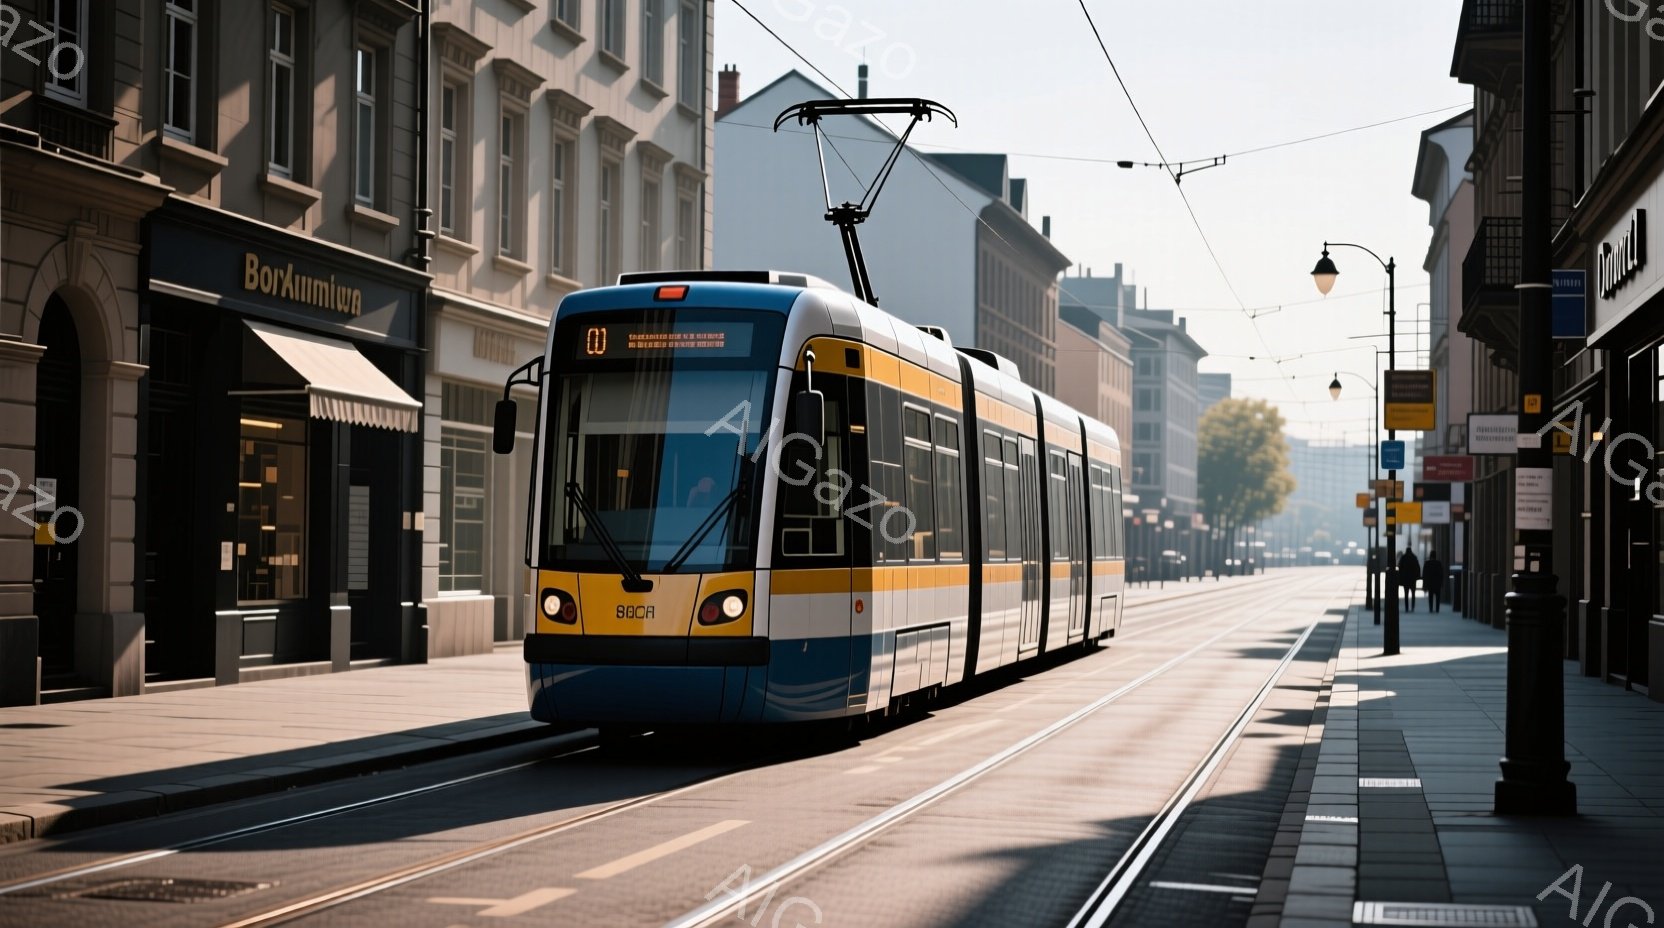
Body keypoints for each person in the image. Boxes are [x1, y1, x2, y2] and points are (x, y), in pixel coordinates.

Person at [1398, 548, 1421, 612]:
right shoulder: (1414, 557)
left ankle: (1407, 607)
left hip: (1405, 579)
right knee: (1413, 594)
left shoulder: (1403, 558)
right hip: (1413, 579)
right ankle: (1413, 607)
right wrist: (1418, 577)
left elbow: (1400, 568)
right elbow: (1417, 568)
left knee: (1406, 594)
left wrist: (1400, 578)